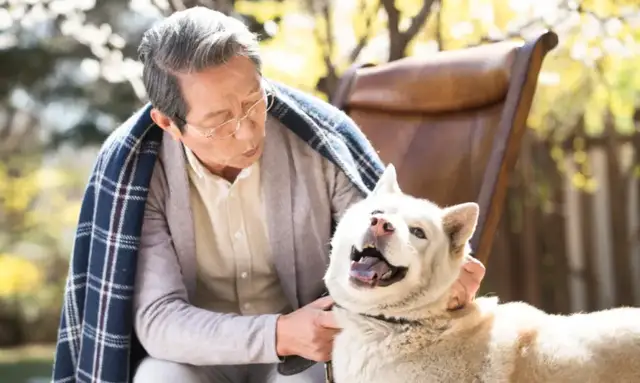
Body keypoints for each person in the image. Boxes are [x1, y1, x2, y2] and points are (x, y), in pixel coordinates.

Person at [52, 7, 486, 383]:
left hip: (304, 355)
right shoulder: (140, 173)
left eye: (252, 102)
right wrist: (276, 334)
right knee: (156, 378)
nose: (246, 131)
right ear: (169, 124)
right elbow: (158, 319)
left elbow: (380, 236)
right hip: (199, 356)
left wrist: (443, 272)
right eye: (220, 121)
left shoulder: (319, 142)